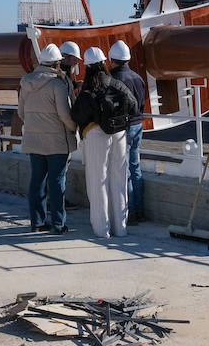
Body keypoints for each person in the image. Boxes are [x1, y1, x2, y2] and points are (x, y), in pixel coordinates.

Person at [70, 47, 135, 239]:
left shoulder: (88, 90)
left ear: (87, 66)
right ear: (105, 62)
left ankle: (101, 230)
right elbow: (133, 105)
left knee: (98, 182)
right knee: (119, 180)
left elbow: (76, 115)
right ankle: (120, 228)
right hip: (119, 134)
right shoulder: (117, 84)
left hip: (96, 135)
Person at [18, 44, 78, 235]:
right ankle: (58, 224)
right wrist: (73, 128)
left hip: (34, 141)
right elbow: (64, 114)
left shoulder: (26, 82)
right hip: (56, 143)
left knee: (37, 181)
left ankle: (37, 222)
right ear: (57, 63)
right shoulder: (57, 84)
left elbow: (21, 112)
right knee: (57, 182)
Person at [108, 40, 148, 225]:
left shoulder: (113, 80)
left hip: (122, 128)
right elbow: (141, 104)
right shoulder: (138, 78)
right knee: (135, 167)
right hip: (138, 124)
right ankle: (139, 210)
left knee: (124, 171)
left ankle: (129, 212)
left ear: (112, 59)